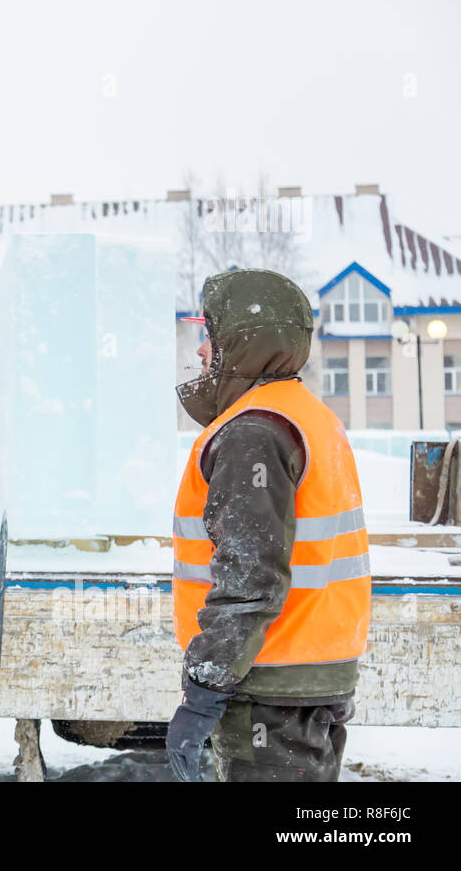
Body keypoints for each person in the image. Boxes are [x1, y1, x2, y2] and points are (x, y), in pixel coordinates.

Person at [167, 268, 371, 782]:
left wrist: (205, 689)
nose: (201, 353)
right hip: (312, 671)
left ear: (242, 343)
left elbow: (248, 576)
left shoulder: (253, 431)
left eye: (210, 337)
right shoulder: (309, 416)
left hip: (271, 679)